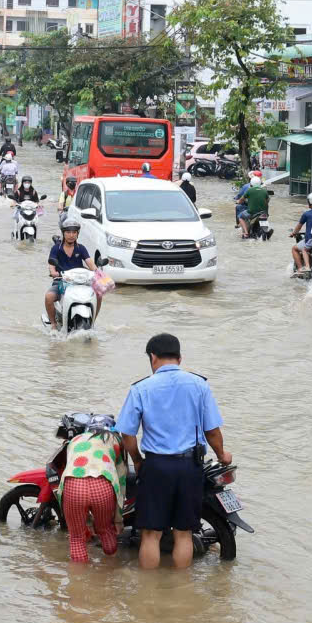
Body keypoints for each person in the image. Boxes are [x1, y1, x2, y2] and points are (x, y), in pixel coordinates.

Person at [115, 333, 232, 570]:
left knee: (150, 534)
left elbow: (127, 433)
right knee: (184, 534)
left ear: (153, 357)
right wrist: (222, 455)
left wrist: (137, 460)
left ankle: (149, 593)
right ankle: (182, 589)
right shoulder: (200, 385)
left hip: (156, 467)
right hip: (190, 467)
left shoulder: (141, 388)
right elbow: (212, 431)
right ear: (179, 358)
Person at [57, 428, 128, 563]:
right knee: (105, 529)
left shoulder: (75, 440)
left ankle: (78, 580)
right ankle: (111, 567)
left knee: (77, 538)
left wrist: (88, 521)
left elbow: (70, 464)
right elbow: (121, 482)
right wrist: (118, 519)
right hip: (102, 484)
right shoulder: (115, 441)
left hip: (74, 484)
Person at [45, 218, 99, 329]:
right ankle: (53, 324)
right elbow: (51, 265)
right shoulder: (56, 248)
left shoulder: (81, 248)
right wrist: (54, 272)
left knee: (99, 295)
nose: (71, 235)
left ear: (77, 234)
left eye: (74, 232)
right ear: (63, 233)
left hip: (81, 282)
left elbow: (91, 264)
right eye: (68, 232)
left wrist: (98, 273)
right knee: (49, 297)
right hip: (61, 281)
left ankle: (93, 321)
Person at [290, 192, 312, 272]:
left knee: (294, 248)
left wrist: (293, 233)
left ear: (310, 202)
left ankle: (300, 269)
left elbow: (299, 226)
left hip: (311, 241)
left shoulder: (307, 214)